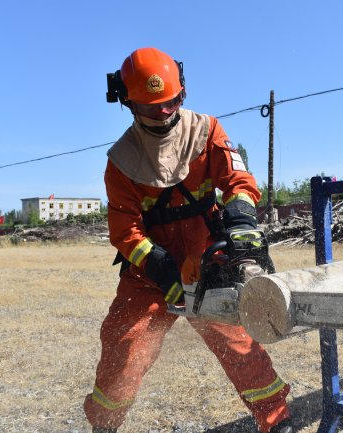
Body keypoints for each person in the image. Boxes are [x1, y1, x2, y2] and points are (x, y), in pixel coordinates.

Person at [83, 48, 293, 433]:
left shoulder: (206, 131)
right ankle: (104, 424)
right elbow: (125, 229)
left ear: (182, 91)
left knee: (240, 344)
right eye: (151, 108)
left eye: (171, 102)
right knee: (125, 346)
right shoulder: (122, 160)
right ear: (127, 103)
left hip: (208, 261)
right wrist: (158, 265)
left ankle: (276, 421)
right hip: (150, 271)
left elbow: (238, 182)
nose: (164, 114)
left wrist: (242, 222)